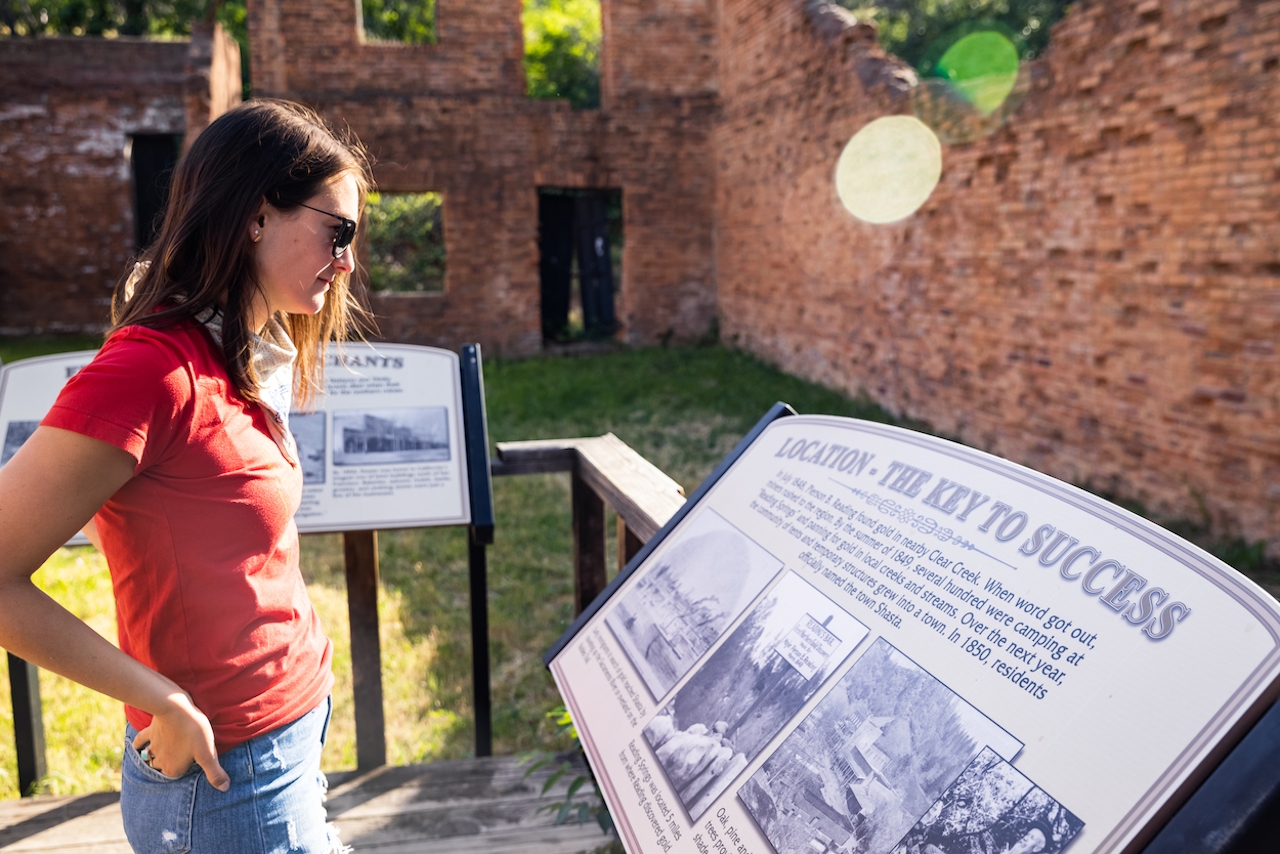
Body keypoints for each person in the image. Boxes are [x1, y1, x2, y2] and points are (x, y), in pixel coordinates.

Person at [0, 99, 373, 853]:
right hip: (227, 782)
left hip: (290, 734)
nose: (351, 262)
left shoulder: (248, 346)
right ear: (256, 217)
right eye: (340, 233)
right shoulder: (151, 369)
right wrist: (159, 700)